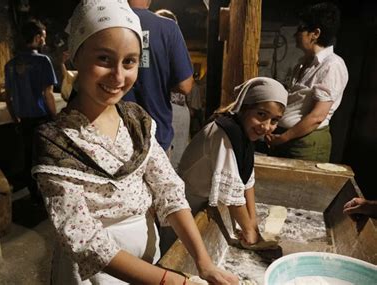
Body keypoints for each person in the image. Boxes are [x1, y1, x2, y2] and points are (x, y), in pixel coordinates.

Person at [31, 1, 238, 284]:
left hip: (148, 259)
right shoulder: (56, 141)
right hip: (97, 273)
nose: (118, 76)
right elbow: (85, 239)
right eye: (104, 59)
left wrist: (205, 263)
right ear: (74, 58)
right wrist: (172, 281)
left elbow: (169, 191)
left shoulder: (136, 122)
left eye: (129, 62)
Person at [176, 77, 288, 250]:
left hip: (201, 204)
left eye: (274, 120)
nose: (266, 127)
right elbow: (232, 196)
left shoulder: (244, 133)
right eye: (261, 115)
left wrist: (254, 225)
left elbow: (246, 181)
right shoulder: (225, 133)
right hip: (186, 207)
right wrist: (250, 235)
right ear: (244, 108)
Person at [266, 2, 348, 162]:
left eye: (301, 29)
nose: (295, 34)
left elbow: (317, 116)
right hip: (288, 138)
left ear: (315, 33)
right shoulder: (304, 62)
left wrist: (284, 138)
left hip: (306, 143)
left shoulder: (332, 65)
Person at [124, 0, 194, 152]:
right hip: (155, 135)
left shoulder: (106, 22)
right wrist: (158, 79)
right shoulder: (168, 28)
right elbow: (185, 86)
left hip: (114, 133)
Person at [4, 19, 58, 201]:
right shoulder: (43, 61)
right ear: (37, 38)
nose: (44, 41)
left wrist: (15, 119)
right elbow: (48, 94)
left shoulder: (10, 65)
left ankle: (34, 195)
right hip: (42, 119)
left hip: (23, 120)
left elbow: (8, 97)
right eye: (43, 37)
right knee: (45, 158)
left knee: (28, 157)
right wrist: (56, 117)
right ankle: (47, 196)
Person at [154, 8, 191, 169]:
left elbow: (185, 86)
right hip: (175, 108)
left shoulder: (162, 45)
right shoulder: (175, 45)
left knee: (169, 161)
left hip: (172, 107)